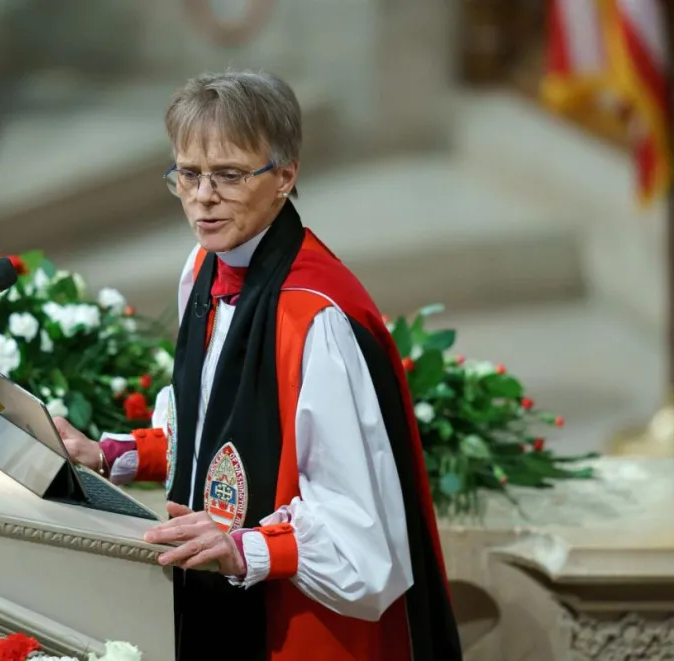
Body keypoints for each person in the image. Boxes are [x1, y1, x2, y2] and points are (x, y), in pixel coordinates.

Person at [52, 70, 462, 661]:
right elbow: (213, 433)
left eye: (229, 174)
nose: (203, 196)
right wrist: (110, 454)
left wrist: (244, 549)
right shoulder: (203, 268)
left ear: (285, 177)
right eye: (188, 174)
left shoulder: (316, 319)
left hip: (299, 628)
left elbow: (360, 537)